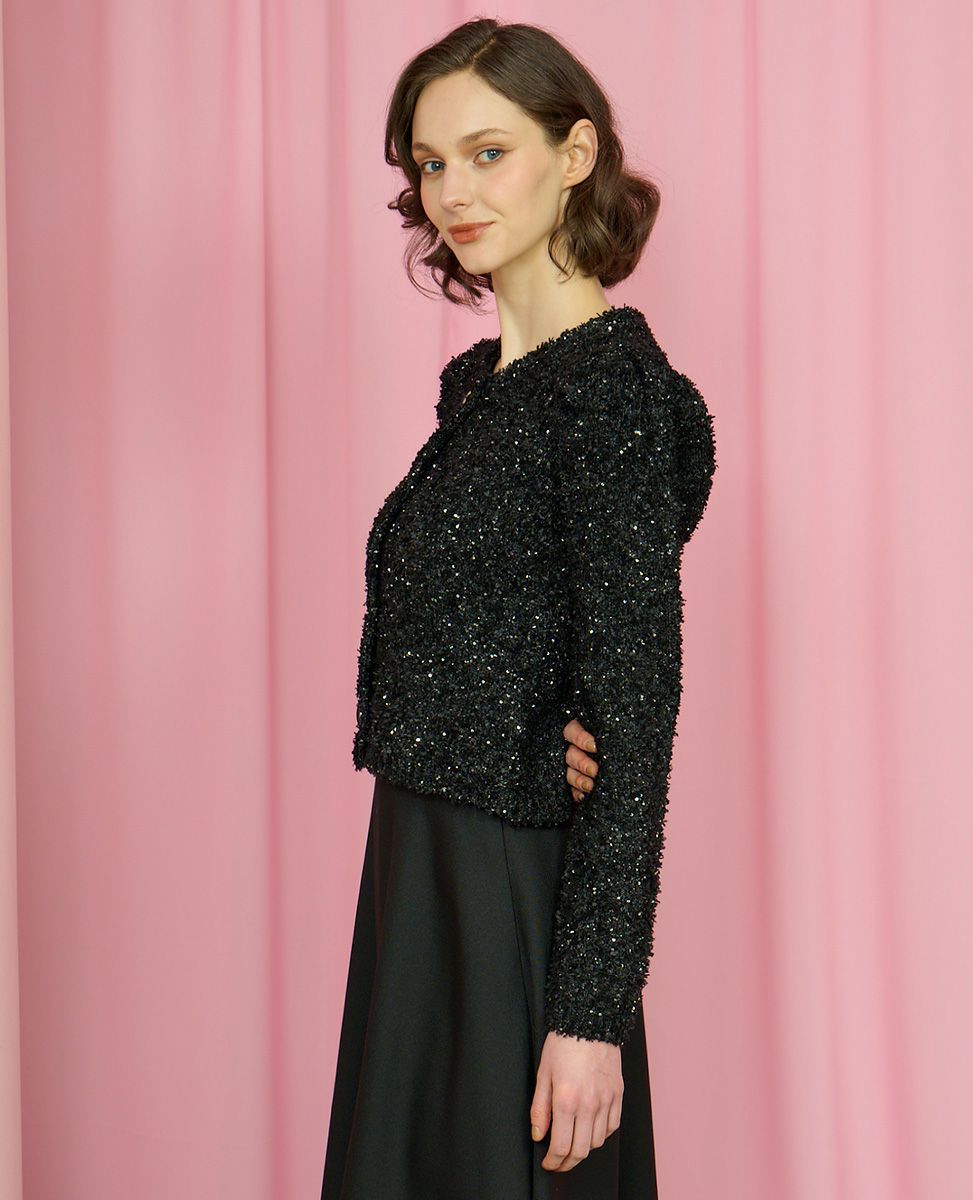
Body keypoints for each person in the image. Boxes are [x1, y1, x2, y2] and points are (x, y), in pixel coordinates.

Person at [321, 17, 717, 1200]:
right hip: (422, 871)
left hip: (508, 886)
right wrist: (510, 731)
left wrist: (590, 1013)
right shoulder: (483, 391)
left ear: (574, 153)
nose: (452, 192)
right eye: (431, 162)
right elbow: (473, 646)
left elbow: (635, 719)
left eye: (488, 153)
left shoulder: (610, 397)